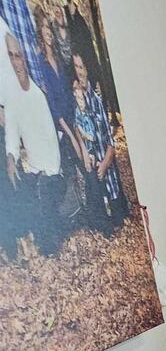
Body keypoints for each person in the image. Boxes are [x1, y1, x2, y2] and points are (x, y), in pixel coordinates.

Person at [4, 30, 65, 254]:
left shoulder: (37, 94)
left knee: (49, 205)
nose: (14, 61)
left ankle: (50, 243)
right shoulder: (10, 94)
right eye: (10, 56)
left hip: (49, 164)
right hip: (32, 165)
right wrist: (11, 157)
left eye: (17, 55)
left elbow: (49, 135)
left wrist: (51, 168)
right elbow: (11, 131)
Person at [68, 51, 123, 230]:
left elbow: (110, 139)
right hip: (92, 165)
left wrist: (106, 162)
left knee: (119, 220)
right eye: (76, 67)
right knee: (101, 220)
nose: (79, 71)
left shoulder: (97, 97)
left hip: (108, 171)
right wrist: (84, 151)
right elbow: (77, 126)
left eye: (82, 67)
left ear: (88, 68)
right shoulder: (77, 96)